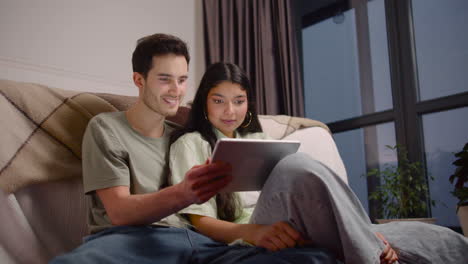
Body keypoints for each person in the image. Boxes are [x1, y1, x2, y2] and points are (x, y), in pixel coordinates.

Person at [50, 34, 336, 264]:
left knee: (313, 257)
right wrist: (184, 193)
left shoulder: (188, 137)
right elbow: (120, 212)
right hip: (133, 239)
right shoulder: (106, 129)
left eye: (182, 79)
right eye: (164, 79)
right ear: (139, 80)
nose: (176, 90)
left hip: (202, 243)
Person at [168, 62, 468, 264]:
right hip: (254, 230)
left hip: (295, 221)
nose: (229, 110)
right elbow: (199, 221)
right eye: (218, 100)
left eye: (239, 100)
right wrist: (253, 233)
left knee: (434, 236)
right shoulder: (190, 143)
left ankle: (366, 238)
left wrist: (362, 231)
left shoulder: (258, 137)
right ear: (204, 103)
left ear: (248, 105)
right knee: (295, 165)